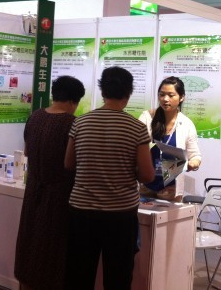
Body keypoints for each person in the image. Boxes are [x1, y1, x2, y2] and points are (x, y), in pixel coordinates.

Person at [64, 66, 154, 289]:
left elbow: (68, 164)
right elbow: (147, 174)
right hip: (120, 214)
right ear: (129, 93)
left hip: (82, 211)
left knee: (79, 275)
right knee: (118, 277)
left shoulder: (80, 122)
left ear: (102, 91)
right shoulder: (137, 128)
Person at [14, 75, 86, 290]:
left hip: (33, 190)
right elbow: (72, 163)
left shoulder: (35, 117)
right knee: (52, 250)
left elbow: (27, 151)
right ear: (73, 101)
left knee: (29, 242)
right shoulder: (72, 123)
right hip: (59, 195)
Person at [138, 76, 201, 202]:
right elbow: (135, 146)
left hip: (171, 189)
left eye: (171, 95)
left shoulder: (186, 124)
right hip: (145, 185)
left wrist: (192, 164)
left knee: (169, 215)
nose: (165, 99)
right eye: (162, 95)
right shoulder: (147, 118)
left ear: (181, 97)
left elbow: (195, 156)